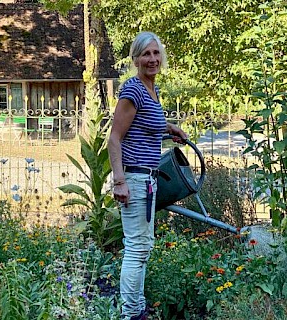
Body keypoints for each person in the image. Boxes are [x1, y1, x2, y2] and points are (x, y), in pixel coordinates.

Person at [108, 31, 188, 320]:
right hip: (134, 179)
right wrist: (119, 182)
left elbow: (145, 124)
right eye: (146, 54)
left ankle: (137, 308)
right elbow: (114, 138)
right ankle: (131, 314)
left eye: (156, 53)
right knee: (136, 249)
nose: (152, 59)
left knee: (142, 248)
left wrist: (169, 128)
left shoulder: (150, 90)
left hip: (147, 179)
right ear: (136, 59)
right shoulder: (133, 90)